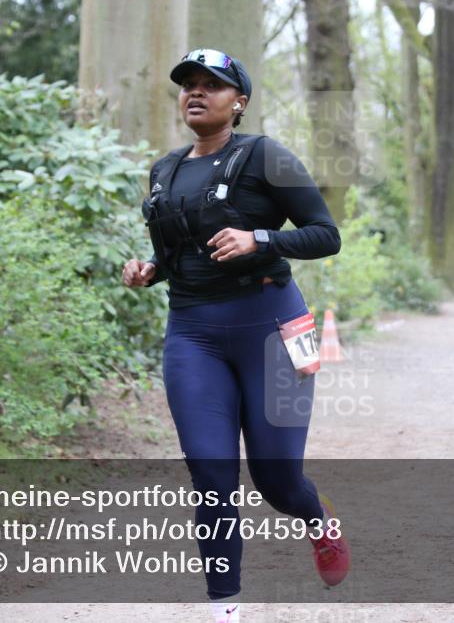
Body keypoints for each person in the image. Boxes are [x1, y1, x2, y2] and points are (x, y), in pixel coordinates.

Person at [121, 49, 350, 623]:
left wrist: (262, 240)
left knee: (277, 479)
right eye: (188, 86)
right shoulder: (163, 171)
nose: (196, 93)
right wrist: (150, 269)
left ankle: (318, 518)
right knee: (211, 472)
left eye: (212, 86)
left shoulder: (266, 157)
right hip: (193, 335)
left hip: (273, 329)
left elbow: (326, 235)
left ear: (238, 101)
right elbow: (179, 252)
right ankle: (226, 611)